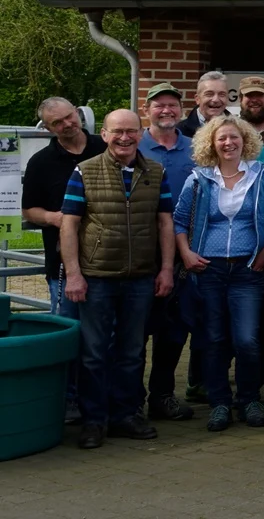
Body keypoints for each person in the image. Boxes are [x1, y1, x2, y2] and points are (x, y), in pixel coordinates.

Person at [61, 109, 176, 449]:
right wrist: (74, 275)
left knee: (131, 352)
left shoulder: (156, 172)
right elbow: (69, 224)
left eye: (131, 131)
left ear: (141, 134)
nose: (124, 137)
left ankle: (126, 415)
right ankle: (94, 421)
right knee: (94, 353)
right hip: (96, 278)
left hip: (141, 277)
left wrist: (166, 268)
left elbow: (165, 223)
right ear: (105, 135)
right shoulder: (85, 170)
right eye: (117, 132)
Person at [174, 116, 264, 432]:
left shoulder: (261, 175)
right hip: (208, 270)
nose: (228, 143)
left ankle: (249, 399)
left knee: (248, 339)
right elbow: (180, 221)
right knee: (213, 339)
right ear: (212, 143)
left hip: (248, 270)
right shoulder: (198, 179)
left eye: (234, 137)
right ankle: (220, 403)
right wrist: (186, 253)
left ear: (244, 141)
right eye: (221, 138)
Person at [139, 83, 201, 423]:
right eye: (159, 105)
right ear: (147, 109)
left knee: (176, 330)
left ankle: (162, 395)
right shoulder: (134, 146)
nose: (166, 110)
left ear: (181, 110)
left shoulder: (196, 149)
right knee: (137, 332)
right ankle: (131, 398)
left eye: (172, 105)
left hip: (184, 256)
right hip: (140, 254)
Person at [23, 98, 105, 324]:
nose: (67, 124)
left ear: (77, 113)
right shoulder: (40, 162)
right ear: (48, 128)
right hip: (62, 262)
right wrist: (55, 218)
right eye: (57, 122)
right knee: (66, 325)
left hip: (108, 259)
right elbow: (29, 210)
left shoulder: (107, 148)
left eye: (69, 116)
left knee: (107, 328)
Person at [179, 70, 228, 138]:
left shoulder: (240, 130)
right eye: (209, 94)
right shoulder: (179, 132)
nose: (216, 99)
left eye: (222, 94)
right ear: (197, 99)